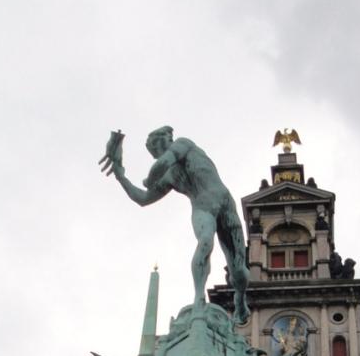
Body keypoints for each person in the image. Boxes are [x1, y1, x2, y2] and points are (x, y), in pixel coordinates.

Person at [100, 126, 250, 325]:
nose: (154, 154)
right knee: (205, 242)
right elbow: (143, 199)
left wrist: (149, 179)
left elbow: (162, 164)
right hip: (202, 207)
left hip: (224, 202)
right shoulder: (170, 177)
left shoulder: (183, 144)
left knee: (238, 269)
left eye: (154, 148)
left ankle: (240, 298)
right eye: (152, 151)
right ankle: (199, 297)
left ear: (165, 140)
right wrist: (121, 177)